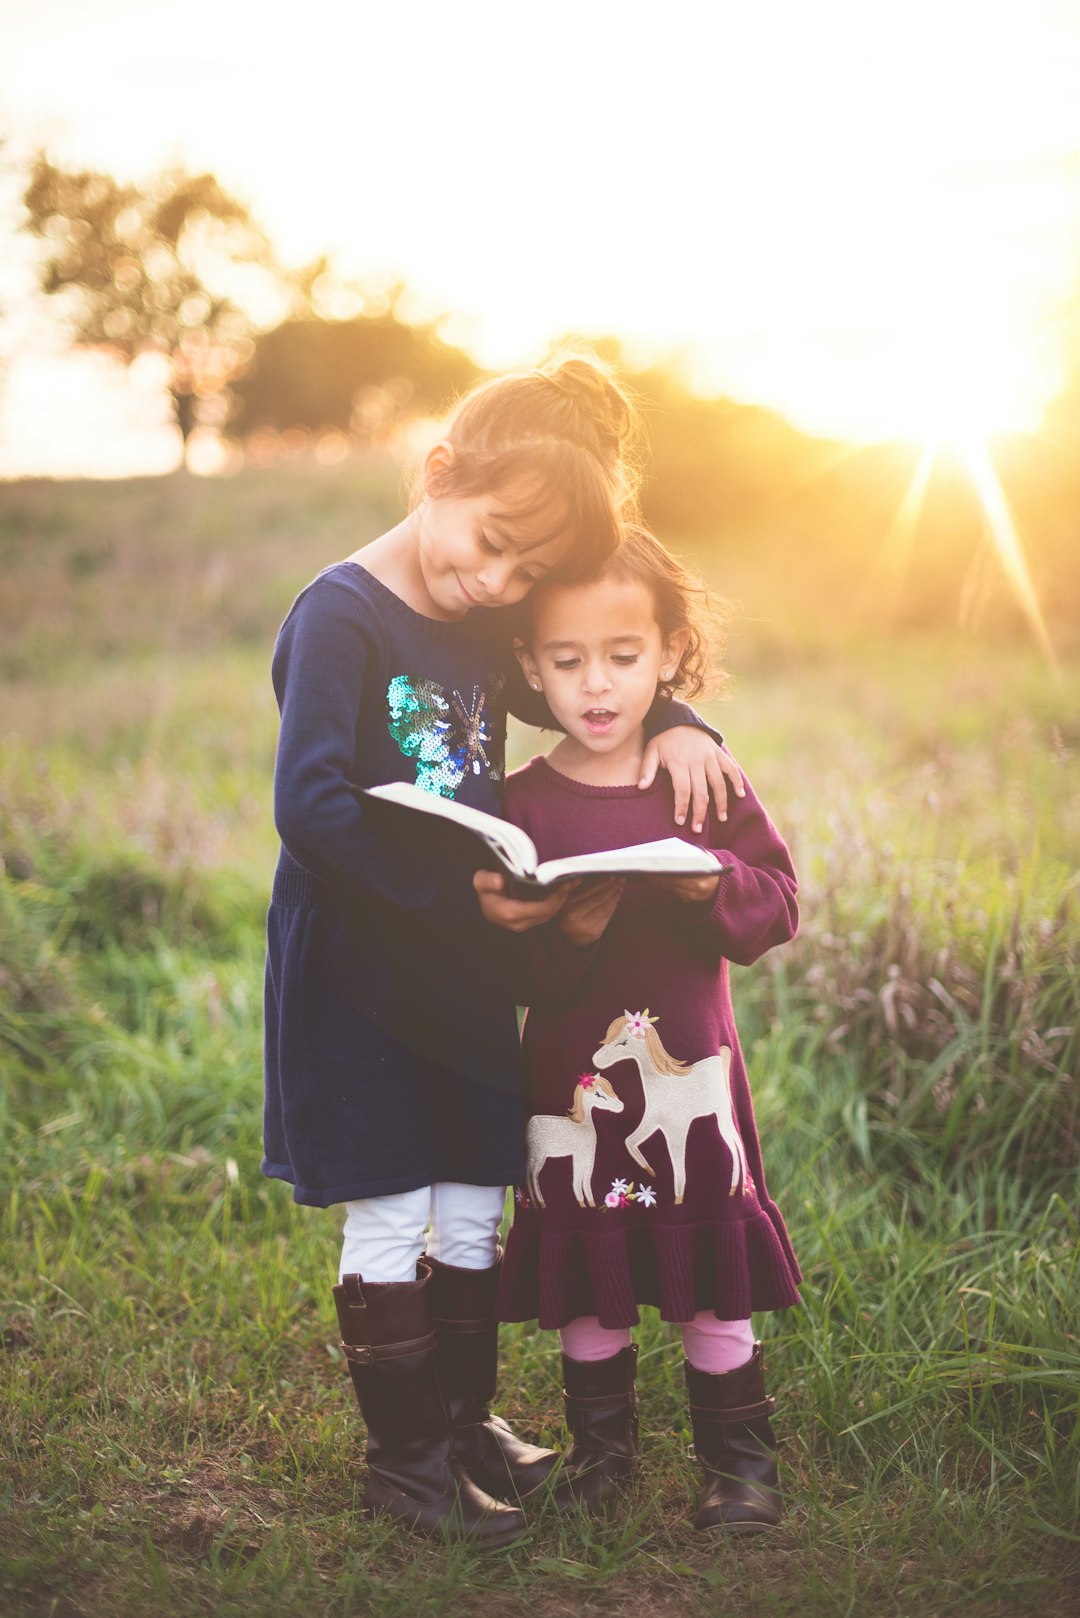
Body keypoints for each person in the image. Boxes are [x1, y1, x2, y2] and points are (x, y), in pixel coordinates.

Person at [261, 356, 743, 1547]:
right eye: (491, 546)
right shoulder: (340, 612)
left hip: (466, 969)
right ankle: (407, 1465)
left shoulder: (482, 619)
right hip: (361, 969)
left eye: (526, 572)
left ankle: (466, 1425)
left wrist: (677, 715)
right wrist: (455, 890)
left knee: (476, 1199)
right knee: (390, 1205)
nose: (498, 582)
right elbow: (311, 806)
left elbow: (583, 683)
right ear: (437, 474)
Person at [494, 526, 801, 1535]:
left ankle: (738, 1465)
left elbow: (777, 905)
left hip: (691, 1070)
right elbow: (501, 966)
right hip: (570, 1079)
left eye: (623, 657)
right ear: (531, 667)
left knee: (710, 1273)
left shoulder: (700, 777)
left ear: (668, 654)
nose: (596, 684)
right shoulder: (520, 806)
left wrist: (709, 882)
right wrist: (566, 931)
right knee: (591, 1272)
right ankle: (601, 1455)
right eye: (567, 660)